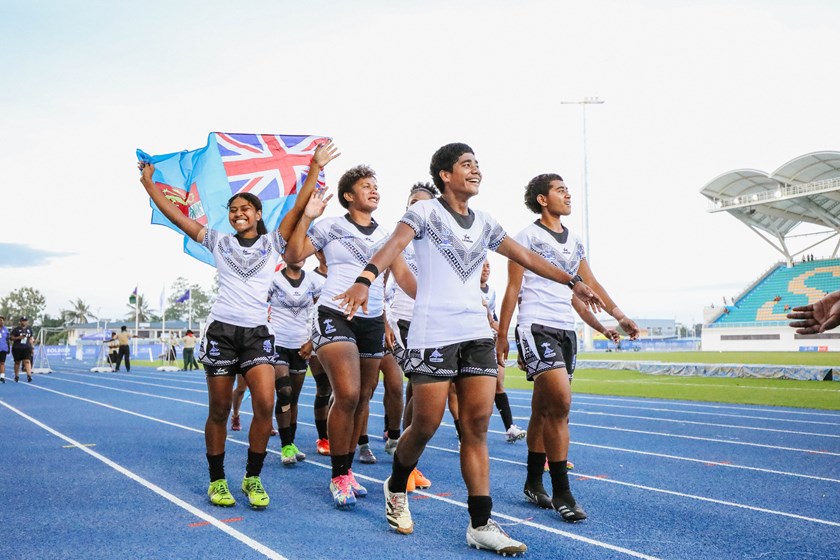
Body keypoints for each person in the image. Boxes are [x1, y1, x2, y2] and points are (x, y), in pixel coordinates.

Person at [334, 143, 603, 554]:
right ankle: (397, 484)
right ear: (445, 174)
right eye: (466, 164)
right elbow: (392, 246)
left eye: (477, 164)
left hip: (476, 332)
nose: (475, 170)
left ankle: (480, 523)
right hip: (433, 332)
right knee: (425, 425)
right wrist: (364, 279)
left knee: (475, 428)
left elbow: (525, 256)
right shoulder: (425, 212)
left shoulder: (486, 222)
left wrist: (572, 281)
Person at [138, 139, 338, 510]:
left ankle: (252, 478)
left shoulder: (274, 243)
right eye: (232, 210)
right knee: (218, 410)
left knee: (265, 403)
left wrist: (314, 166)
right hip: (222, 333)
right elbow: (178, 217)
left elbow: (298, 207)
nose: (237, 214)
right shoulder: (218, 242)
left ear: (258, 214)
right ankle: (217, 480)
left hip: (257, 335)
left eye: (245, 208)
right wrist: (150, 184)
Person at [496, 172, 639, 523]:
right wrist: (502, 335)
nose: (568, 195)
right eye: (561, 190)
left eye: (568, 190)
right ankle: (563, 492)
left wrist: (618, 316)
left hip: (565, 330)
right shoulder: (526, 237)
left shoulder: (575, 241)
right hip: (535, 326)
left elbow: (591, 283)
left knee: (544, 408)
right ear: (542, 199)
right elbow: (512, 288)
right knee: (561, 403)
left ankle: (533, 482)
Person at [283, 163, 417, 511]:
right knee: (347, 393)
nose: (374, 190)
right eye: (366, 185)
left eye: (376, 185)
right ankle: (338, 475)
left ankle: (348, 469)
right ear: (348, 195)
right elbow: (293, 255)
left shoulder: (388, 234)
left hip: (371, 321)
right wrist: (308, 217)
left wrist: (441, 298)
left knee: (362, 398)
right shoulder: (330, 226)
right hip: (335, 313)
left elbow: (404, 278)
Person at [382, 181, 438, 492]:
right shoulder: (398, 239)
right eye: (412, 202)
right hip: (403, 320)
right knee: (417, 387)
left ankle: (406, 458)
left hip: (433, 322)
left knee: (421, 393)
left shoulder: (441, 241)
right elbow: (380, 282)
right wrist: (384, 322)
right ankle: (406, 468)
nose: (417, 207)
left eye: (423, 203)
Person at [267, 257, 321, 466]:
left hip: (301, 346)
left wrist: (312, 341)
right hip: (278, 344)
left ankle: (291, 442)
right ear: (285, 255)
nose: (298, 257)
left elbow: (321, 312)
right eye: (293, 253)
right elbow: (258, 306)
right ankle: (285, 446)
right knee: (284, 392)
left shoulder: (313, 282)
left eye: (302, 254)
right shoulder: (273, 280)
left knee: (294, 398)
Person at [308, 251, 332, 456]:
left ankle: (337, 432)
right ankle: (323, 437)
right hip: (315, 338)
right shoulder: (310, 278)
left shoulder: (342, 274)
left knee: (344, 391)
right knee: (324, 388)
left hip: (341, 337)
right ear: (317, 253)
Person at [11, 316, 35, 383]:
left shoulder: (29, 329)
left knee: (27, 361)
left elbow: (31, 339)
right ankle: (16, 376)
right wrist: (18, 337)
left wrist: (32, 348)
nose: (24, 322)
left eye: (25, 320)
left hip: (26, 348)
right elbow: (11, 338)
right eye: (23, 321)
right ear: (20, 321)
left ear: (27, 321)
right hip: (17, 348)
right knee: (17, 362)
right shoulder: (16, 329)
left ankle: (29, 375)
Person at [0, 316, 9, 383]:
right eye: (0, 320)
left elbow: (7, 339)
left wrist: (8, 348)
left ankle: (2, 377)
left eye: (2, 320)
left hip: (3, 348)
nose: (1, 321)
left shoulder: (6, 329)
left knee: (2, 362)